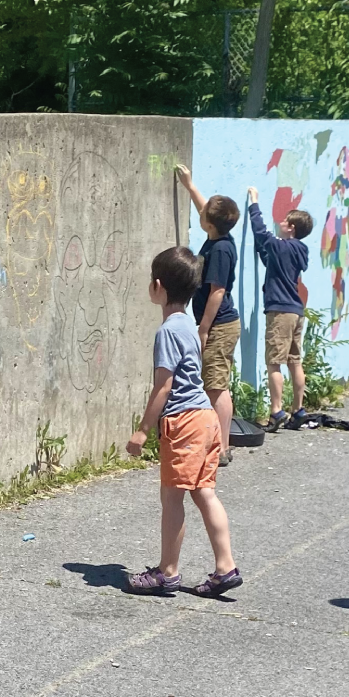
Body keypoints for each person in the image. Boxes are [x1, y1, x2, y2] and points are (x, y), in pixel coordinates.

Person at [125, 246, 242, 598]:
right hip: (205, 417)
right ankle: (225, 567)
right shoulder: (190, 325)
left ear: (157, 286)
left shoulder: (167, 332)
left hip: (185, 421)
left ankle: (167, 572)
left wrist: (142, 430)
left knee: (172, 497)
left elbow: (164, 385)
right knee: (204, 493)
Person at [174, 165, 241, 466]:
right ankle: (218, 443)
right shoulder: (218, 236)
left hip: (220, 324)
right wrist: (190, 186)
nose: (200, 214)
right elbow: (206, 210)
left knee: (216, 385)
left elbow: (216, 291)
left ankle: (222, 447)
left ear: (209, 226)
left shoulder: (220, 251)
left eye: (203, 216)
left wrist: (203, 328)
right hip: (219, 323)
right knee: (214, 382)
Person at [246, 186, 313, 431]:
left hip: (280, 311)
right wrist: (265, 253)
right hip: (296, 310)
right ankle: (298, 410)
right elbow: (275, 262)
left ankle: (276, 411)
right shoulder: (299, 250)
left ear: (291, 228)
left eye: (285, 221)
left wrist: (254, 203)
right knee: (295, 360)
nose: (281, 223)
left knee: (274, 362)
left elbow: (261, 232)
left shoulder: (281, 245)